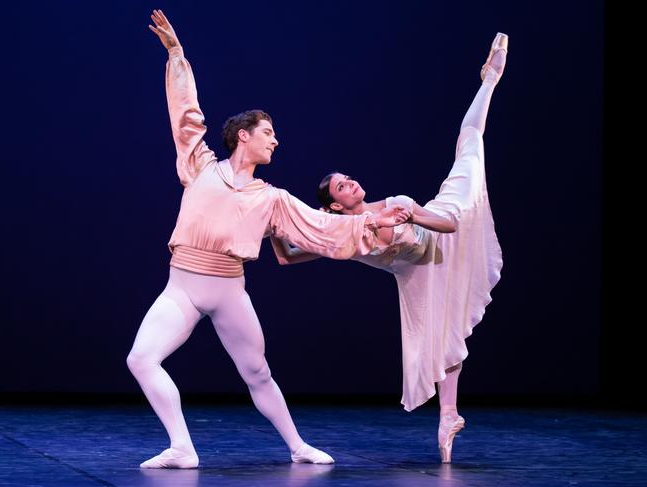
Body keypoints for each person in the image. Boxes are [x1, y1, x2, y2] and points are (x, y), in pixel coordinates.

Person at [126, 9, 410, 469]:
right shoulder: (200, 165)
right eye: (268, 134)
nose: (275, 142)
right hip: (181, 285)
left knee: (257, 372)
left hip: (227, 289)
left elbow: (320, 228)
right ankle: (182, 447)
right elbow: (185, 116)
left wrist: (368, 223)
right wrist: (177, 56)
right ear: (244, 136)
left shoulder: (272, 198)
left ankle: (298, 446)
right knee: (141, 359)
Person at [271, 33, 508, 463]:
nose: (352, 183)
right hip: (417, 275)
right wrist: (272, 221)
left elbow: (451, 224)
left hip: (439, 229)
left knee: (469, 144)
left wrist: (414, 215)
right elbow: (286, 257)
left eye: (349, 177)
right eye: (343, 186)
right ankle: (448, 416)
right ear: (333, 205)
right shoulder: (339, 233)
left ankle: (488, 80)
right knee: (444, 337)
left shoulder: (396, 205)